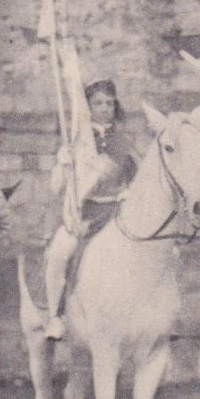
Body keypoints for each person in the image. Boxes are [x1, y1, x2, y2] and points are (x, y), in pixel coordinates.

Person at [44, 78, 138, 340]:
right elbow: (55, 188)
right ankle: (56, 316)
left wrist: (129, 191)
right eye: (98, 103)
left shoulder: (123, 142)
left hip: (117, 213)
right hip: (84, 214)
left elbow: (136, 178)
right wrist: (63, 164)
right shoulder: (76, 142)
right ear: (88, 108)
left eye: (109, 103)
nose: (105, 108)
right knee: (59, 255)